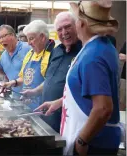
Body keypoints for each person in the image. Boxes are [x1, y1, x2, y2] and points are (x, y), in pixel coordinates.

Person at [35, 1, 121, 155]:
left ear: (81, 24)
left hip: (94, 144)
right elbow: (87, 89)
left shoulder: (93, 55)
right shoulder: (97, 46)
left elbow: (103, 108)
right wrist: (59, 102)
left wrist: (82, 140)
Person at [21, 11, 82, 133]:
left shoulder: (83, 52)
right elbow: (50, 79)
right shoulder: (57, 51)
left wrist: (59, 103)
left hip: (68, 118)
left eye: (68, 27)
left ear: (77, 26)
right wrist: (35, 91)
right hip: (47, 115)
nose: (64, 32)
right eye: (60, 29)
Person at [1, 20, 55, 110]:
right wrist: (13, 83)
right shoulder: (30, 53)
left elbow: (51, 82)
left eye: (31, 39)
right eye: (28, 39)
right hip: (28, 106)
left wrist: (34, 92)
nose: (29, 43)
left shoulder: (52, 54)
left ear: (42, 37)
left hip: (43, 107)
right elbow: (24, 77)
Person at [0, 25, 31, 99]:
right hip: (15, 98)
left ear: (12, 35)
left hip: (31, 98)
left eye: (3, 37)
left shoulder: (28, 48)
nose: (0, 41)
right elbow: (4, 76)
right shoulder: (3, 55)